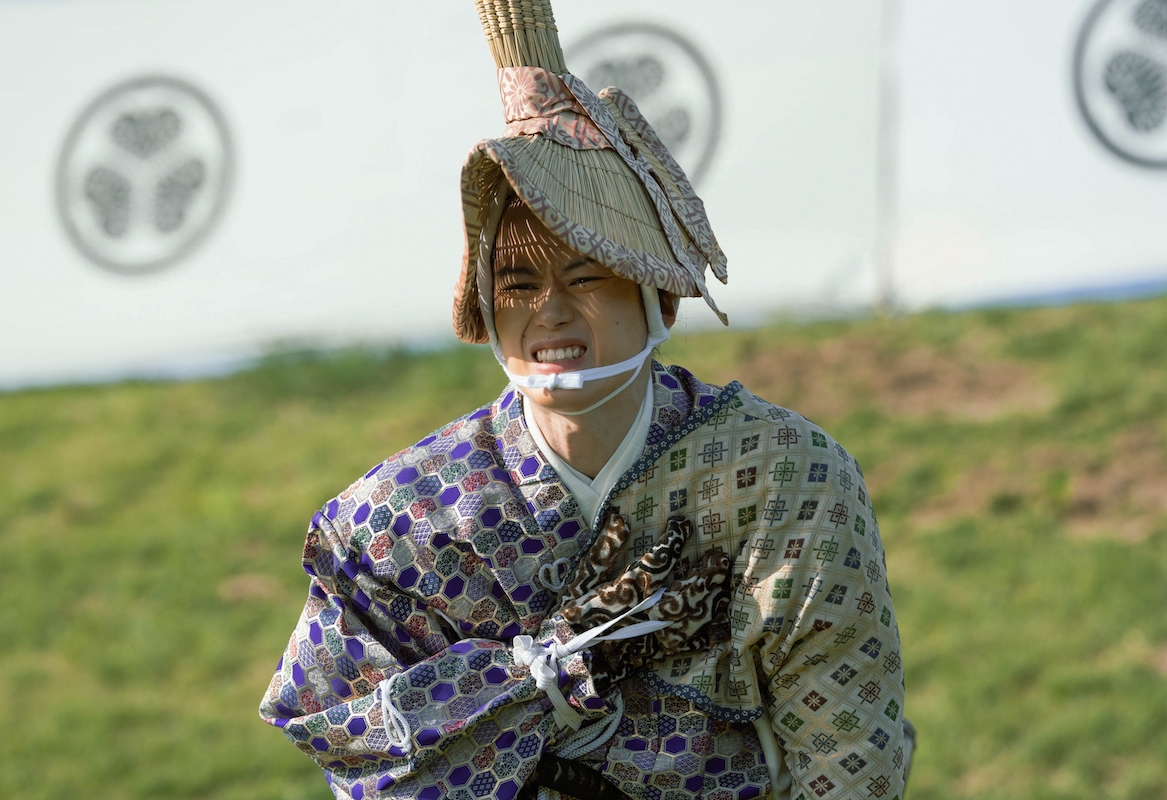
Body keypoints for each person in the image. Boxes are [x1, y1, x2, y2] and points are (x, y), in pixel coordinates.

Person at [259, 2, 910, 798]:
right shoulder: (397, 522)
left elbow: (848, 755)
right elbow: (365, 756)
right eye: (520, 283)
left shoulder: (786, 480)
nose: (550, 314)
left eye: (587, 276)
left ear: (657, 296)